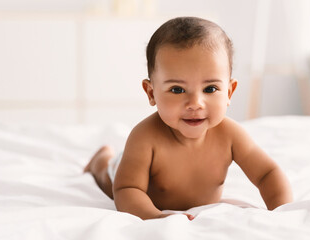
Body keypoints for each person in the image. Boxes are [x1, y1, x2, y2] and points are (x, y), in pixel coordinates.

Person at [84, 16, 293, 220]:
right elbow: (127, 188)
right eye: (177, 89)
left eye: (210, 88)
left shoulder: (231, 135)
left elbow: (267, 173)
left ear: (229, 92)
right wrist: (155, 216)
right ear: (151, 93)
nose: (195, 103)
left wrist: (281, 212)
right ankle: (101, 160)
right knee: (108, 180)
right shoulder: (145, 137)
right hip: (126, 169)